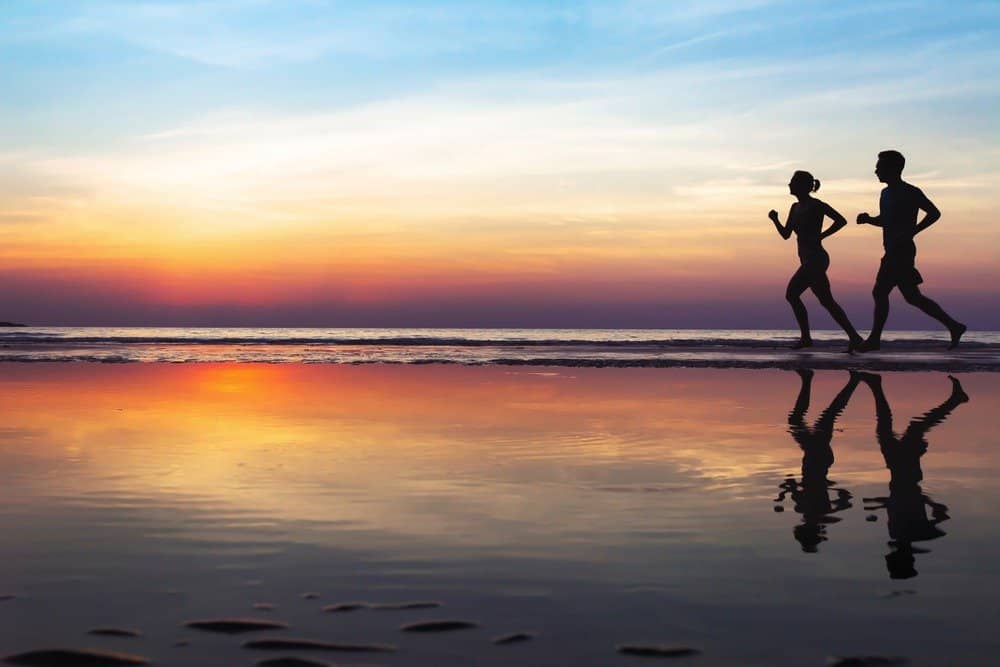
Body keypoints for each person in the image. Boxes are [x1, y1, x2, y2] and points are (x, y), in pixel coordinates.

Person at [857, 372, 968, 578]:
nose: (887, 557)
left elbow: (901, 504)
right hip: (904, 475)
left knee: (891, 429)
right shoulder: (912, 534)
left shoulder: (908, 534)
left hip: (902, 477)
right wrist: (931, 508)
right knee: (904, 428)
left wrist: (880, 503)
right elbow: (914, 504)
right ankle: (955, 400)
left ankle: (877, 386)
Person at [856, 150, 966, 350]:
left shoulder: (910, 192)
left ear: (893, 169)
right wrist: (869, 219)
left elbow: (934, 213)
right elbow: (886, 220)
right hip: (892, 250)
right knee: (912, 297)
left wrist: (912, 232)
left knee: (880, 292)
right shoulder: (885, 193)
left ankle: (874, 340)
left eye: (879, 167)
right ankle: (954, 326)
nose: (876, 171)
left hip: (902, 251)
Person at [769, 171, 864, 350]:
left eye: (792, 182)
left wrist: (821, 236)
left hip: (816, 259)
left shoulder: (816, 205)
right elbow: (786, 235)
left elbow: (841, 220)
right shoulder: (794, 207)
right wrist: (775, 220)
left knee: (792, 294)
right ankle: (854, 337)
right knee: (827, 301)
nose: (789, 185)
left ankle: (806, 338)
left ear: (802, 186)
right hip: (807, 260)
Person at [774, 369, 857, 552]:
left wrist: (785, 492)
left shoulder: (810, 511)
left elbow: (792, 483)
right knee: (818, 416)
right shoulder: (816, 512)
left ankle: (849, 381)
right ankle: (812, 379)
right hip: (816, 458)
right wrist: (784, 492)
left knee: (825, 415)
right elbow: (846, 499)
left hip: (818, 459)